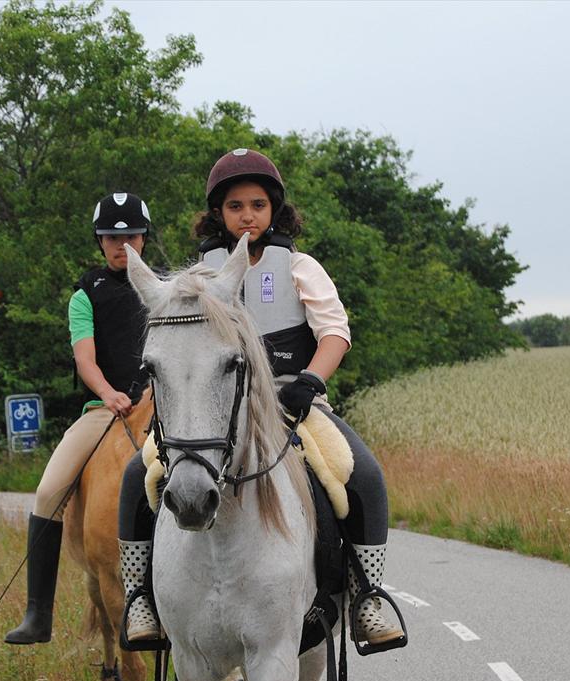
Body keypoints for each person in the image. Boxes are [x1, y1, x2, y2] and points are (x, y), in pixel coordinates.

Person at [118, 149, 403, 651]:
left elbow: (335, 332)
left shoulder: (298, 266)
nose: (247, 215)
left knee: (362, 473)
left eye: (256, 204)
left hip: (292, 402)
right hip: (215, 410)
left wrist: (310, 382)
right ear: (218, 213)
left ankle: (366, 596)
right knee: (137, 476)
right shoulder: (200, 275)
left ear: (274, 208)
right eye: (234, 206)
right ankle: (141, 597)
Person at [5, 192, 152, 645]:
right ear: (100, 240)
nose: (120, 244)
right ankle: (38, 614)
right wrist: (109, 394)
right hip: (106, 409)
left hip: (162, 403)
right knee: (49, 490)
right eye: (111, 236)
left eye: (129, 236)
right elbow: (85, 360)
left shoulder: (165, 286)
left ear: (144, 238)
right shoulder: (85, 295)